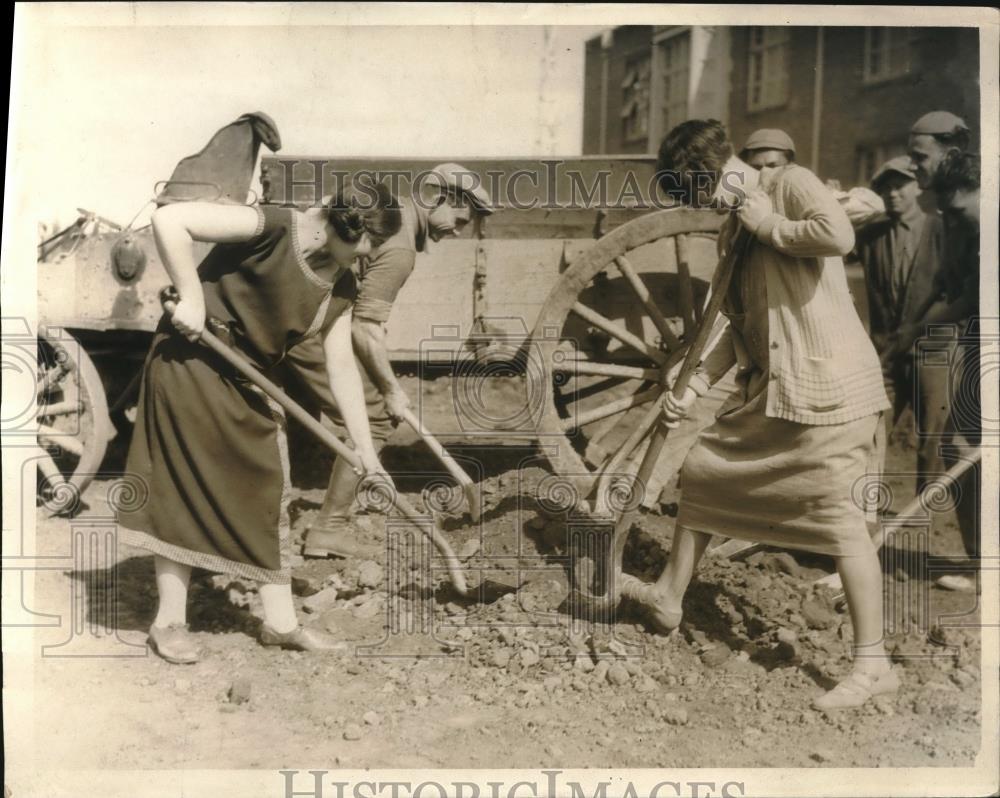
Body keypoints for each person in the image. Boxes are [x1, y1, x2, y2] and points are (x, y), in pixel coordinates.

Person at [628, 120, 895, 710]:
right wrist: (695, 383)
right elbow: (735, 321)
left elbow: (838, 236)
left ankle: (873, 664)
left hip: (830, 389)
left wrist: (766, 222)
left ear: (710, 173)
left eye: (703, 194)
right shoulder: (733, 230)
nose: (707, 207)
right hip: (779, 391)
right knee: (704, 470)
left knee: (840, 522)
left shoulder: (792, 183)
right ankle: (669, 595)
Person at [118, 186, 402, 663]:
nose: (370, 258)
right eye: (369, 245)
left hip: (244, 376)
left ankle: (280, 623)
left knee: (268, 481)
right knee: (179, 486)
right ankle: (168, 622)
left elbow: (342, 370)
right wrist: (191, 296)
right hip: (190, 360)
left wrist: (368, 454)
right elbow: (170, 222)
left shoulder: (341, 285)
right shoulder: (272, 226)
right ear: (349, 228)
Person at [285, 163, 494, 560]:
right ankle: (329, 529)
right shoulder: (399, 248)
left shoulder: (388, 215)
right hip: (308, 326)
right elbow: (364, 326)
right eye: (460, 217)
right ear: (437, 198)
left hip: (300, 315)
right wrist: (391, 389)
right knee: (377, 416)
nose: (459, 229)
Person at [854, 156, 946, 492]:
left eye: (900, 185)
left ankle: (924, 511)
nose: (893, 194)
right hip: (884, 353)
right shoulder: (870, 235)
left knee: (932, 435)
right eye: (885, 188)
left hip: (932, 351)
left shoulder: (942, 229)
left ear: (918, 186)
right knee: (870, 428)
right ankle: (865, 508)